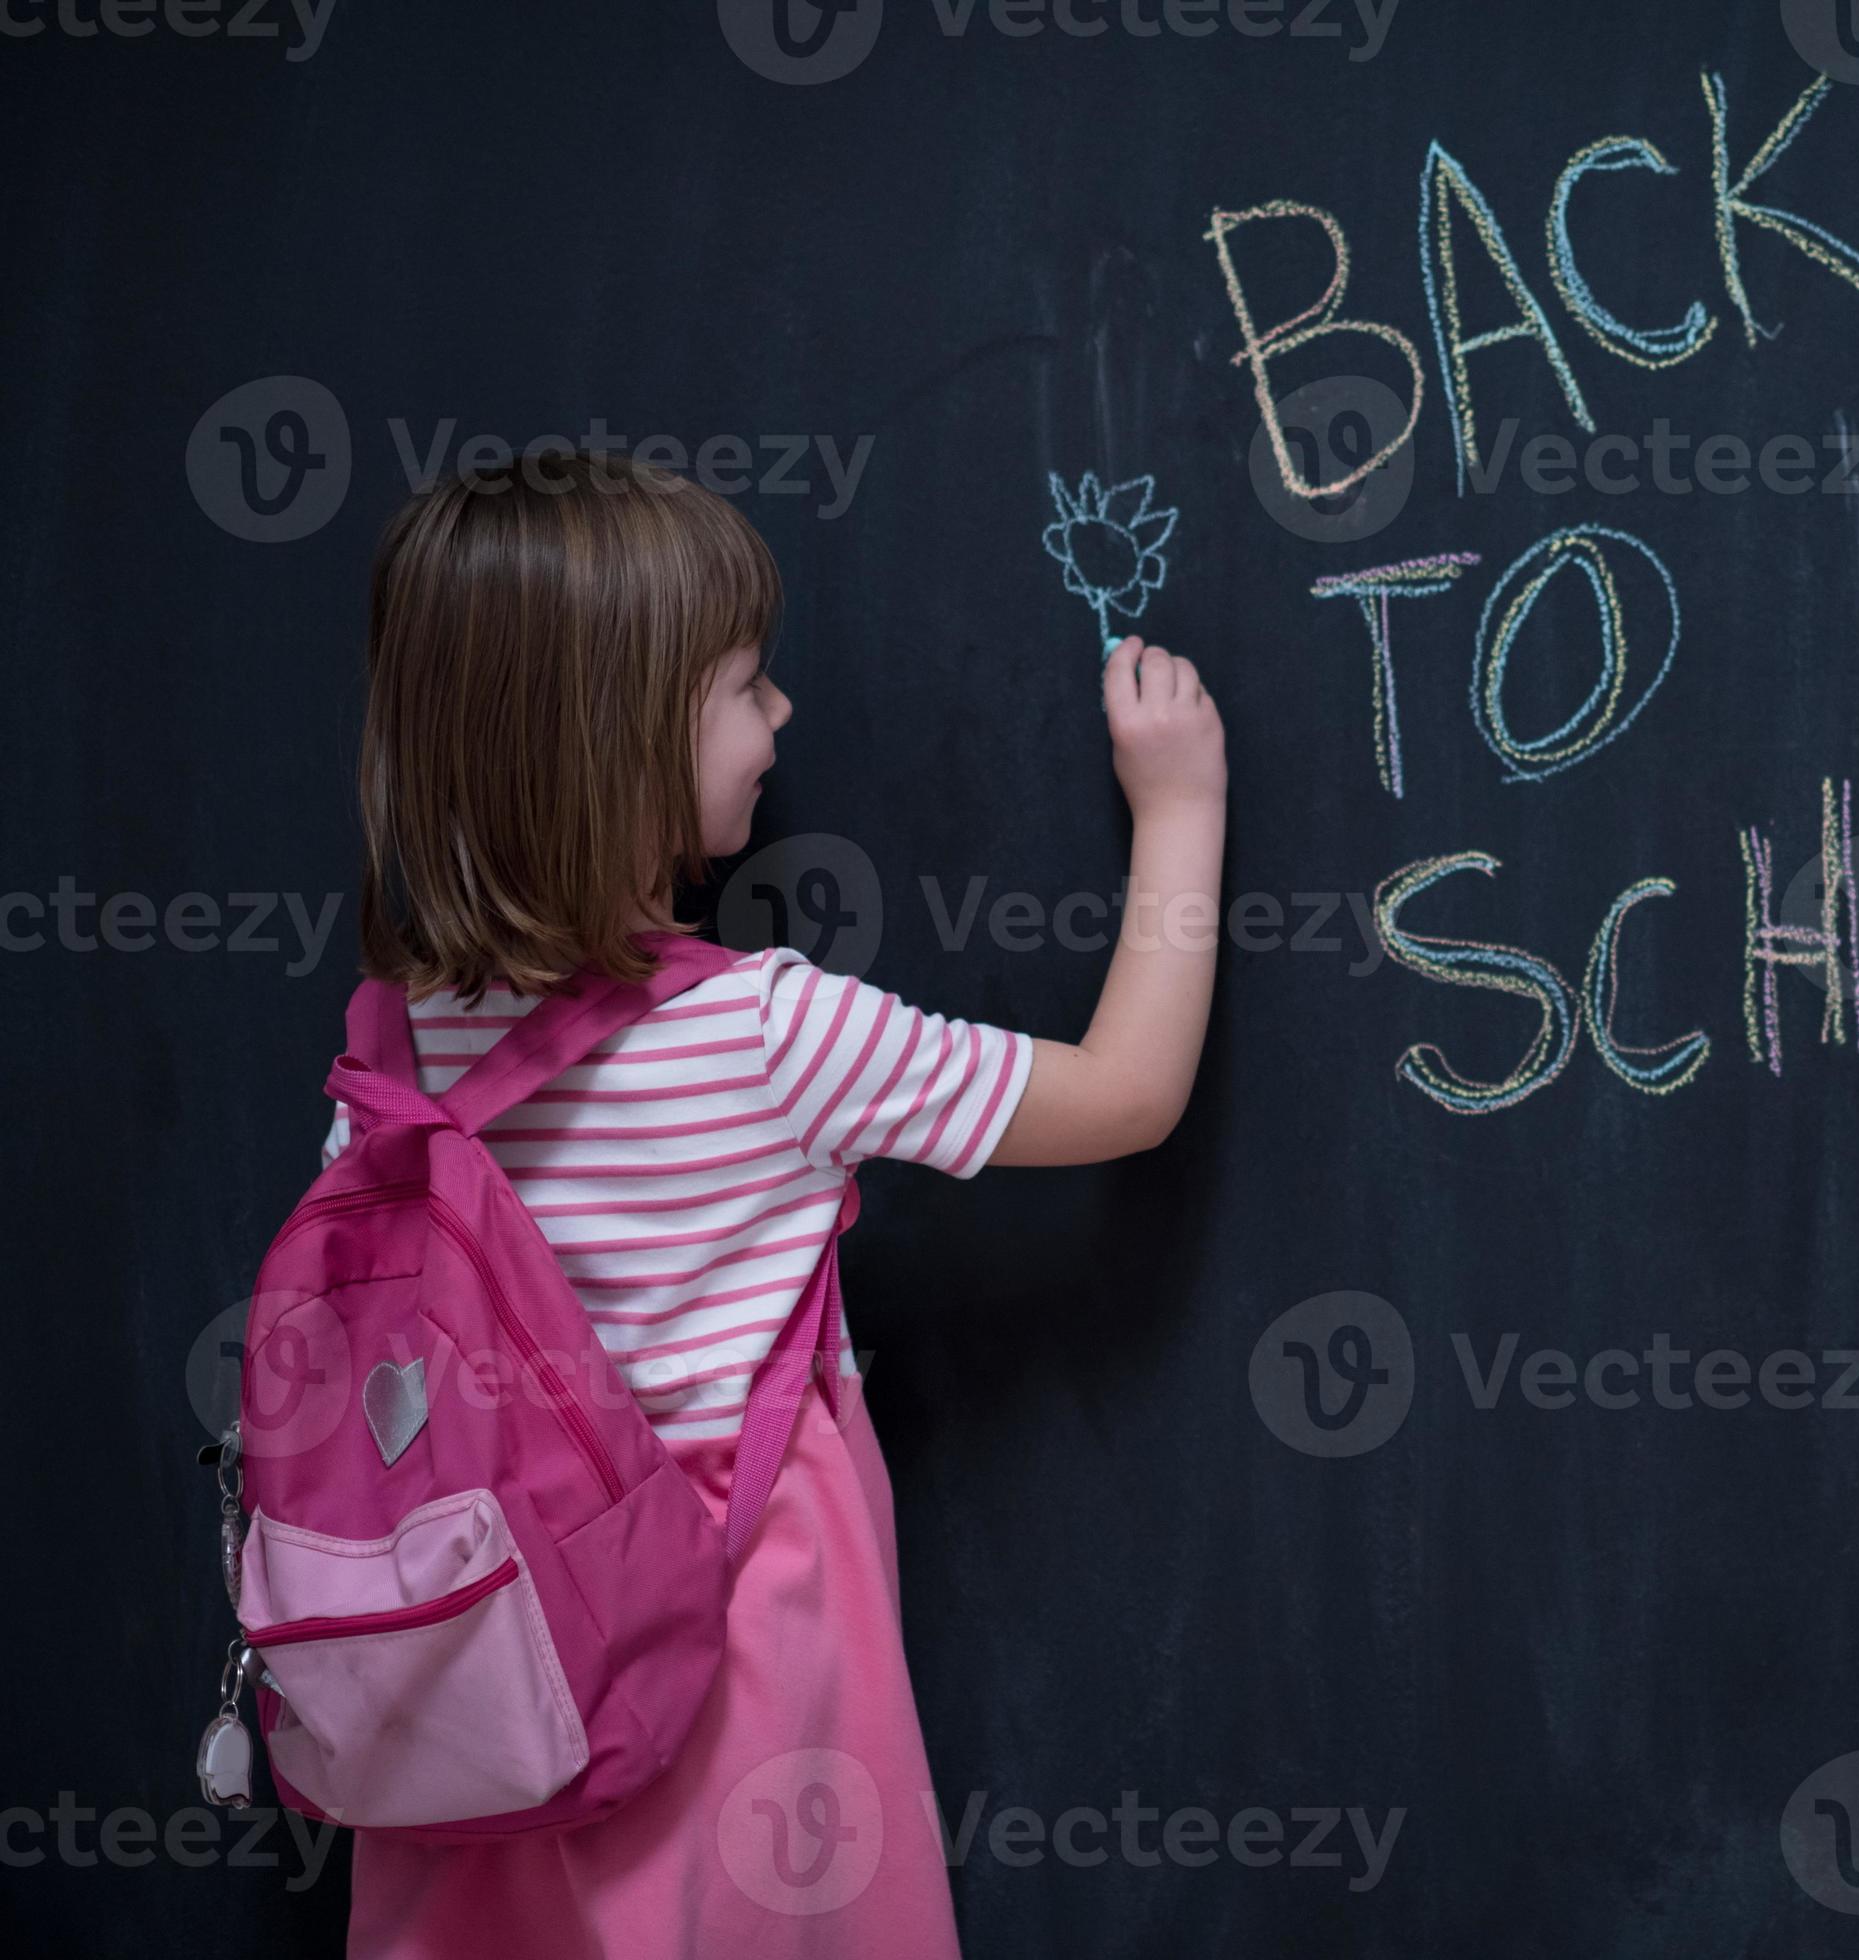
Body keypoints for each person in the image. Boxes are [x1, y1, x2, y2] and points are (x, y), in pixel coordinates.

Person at [321, 450, 1224, 1955]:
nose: (781, 719)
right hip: (727, 1664)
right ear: (618, 742)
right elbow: (1128, 1096)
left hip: (466, 1679)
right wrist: (1181, 810)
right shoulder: (770, 1034)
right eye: (747, 688)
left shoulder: (392, 1050)